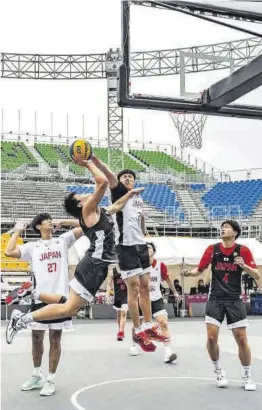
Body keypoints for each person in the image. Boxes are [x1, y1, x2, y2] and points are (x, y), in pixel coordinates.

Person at [6, 158, 146, 347]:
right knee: (68, 308)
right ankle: (22, 319)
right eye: (81, 196)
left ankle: (31, 298)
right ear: (80, 205)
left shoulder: (99, 212)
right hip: (93, 265)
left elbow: (116, 206)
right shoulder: (88, 210)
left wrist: (130, 194)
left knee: (68, 305)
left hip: (97, 266)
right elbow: (103, 182)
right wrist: (88, 163)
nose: (85, 195)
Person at [91, 154, 168, 351]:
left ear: (135, 181)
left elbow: (140, 227)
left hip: (141, 245)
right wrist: (94, 160)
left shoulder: (138, 199)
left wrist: (143, 223)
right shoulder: (119, 194)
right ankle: (138, 329)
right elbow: (108, 174)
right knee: (133, 289)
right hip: (124, 246)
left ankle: (149, 325)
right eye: (123, 177)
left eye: (130, 177)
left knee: (145, 287)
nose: (127, 179)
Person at [4, 215, 83, 396]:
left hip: (59, 298)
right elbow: (8, 252)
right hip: (39, 298)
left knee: (55, 338)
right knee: (36, 338)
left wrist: (64, 222)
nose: (50, 221)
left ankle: (50, 379)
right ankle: (36, 374)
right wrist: (17, 230)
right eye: (47, 220)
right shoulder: (33, 247)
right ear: (39, 226)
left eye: (50, 219)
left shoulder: (63, 240)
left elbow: (87, 225)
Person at [181, 220, 260, 391]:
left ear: (235, 233)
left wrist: (243, 265)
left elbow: (257, 275)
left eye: (227, 227)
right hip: (215, 298)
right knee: (211, 338)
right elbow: (199, 270)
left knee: (242, 339)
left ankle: (247, 374)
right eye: (222, 227)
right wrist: (189, 273)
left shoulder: (243, 251)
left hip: (234, 299)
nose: (223, 229)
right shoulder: (212, 249)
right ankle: (218, 371)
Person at [130, 242, 181, 363]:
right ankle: (134, 344)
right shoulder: (138, 265)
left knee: (163, 323)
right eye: (145, 248)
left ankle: (168, 351)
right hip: (142, 299)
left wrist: (175, 292)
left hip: (156, 299)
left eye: (150, 248)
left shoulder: (160, 265)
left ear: (153, 251)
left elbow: (168, 279)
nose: (147, 250)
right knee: (138, 324)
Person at [106, 265, 128, 341]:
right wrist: (107, 294)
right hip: (118, 296)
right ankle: (121, 330)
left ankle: (121, 332)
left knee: (123, 312)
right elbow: (109, 284)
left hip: (126, 295)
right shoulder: (112, 271)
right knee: (119, 315)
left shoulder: (128, 269)